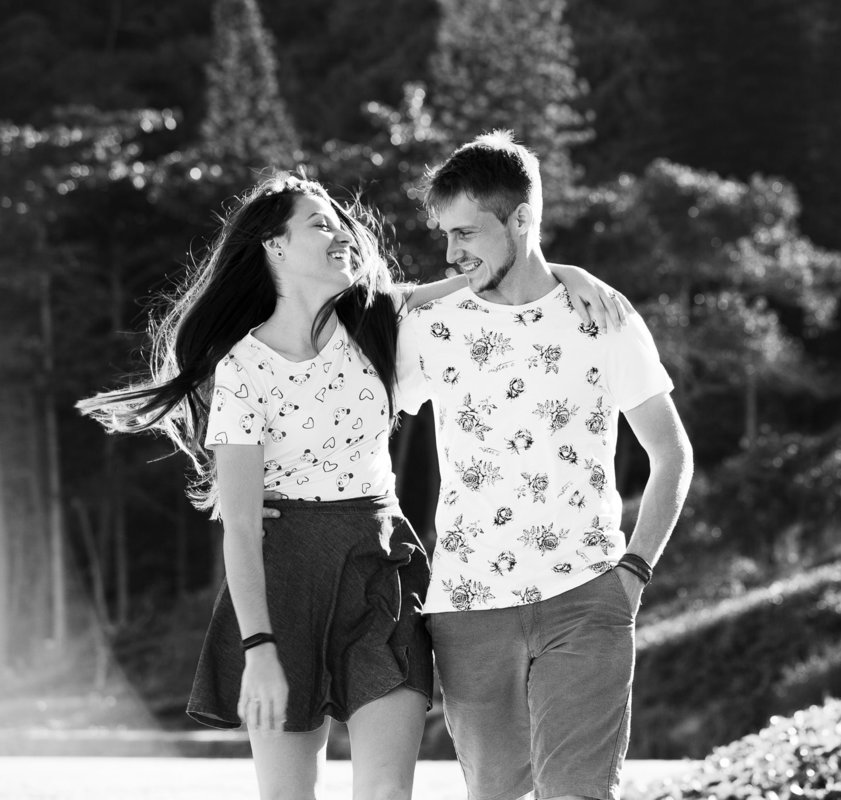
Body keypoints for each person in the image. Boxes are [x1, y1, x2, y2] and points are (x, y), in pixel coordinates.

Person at [76, 173, 631, 800]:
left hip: (379, 562)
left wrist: (576, 276)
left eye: (339, 220)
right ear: (275, 247)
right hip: (287, 577)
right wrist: (257, 649)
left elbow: (496, 273)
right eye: (320, 223)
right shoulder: (241, 370)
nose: (342, 232)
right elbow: (240, 526)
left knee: (386, 793)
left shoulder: (374, 318)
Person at [396, 131, 694, 800]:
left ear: (521, 219)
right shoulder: (429, 324)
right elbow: (339, 357)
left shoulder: (603, 317)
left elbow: (672, 452)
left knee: (578, 794)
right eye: (446, 235)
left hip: (586, 597)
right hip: (468, 606)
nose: (453, 250)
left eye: (467, 232)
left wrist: (634, 574)